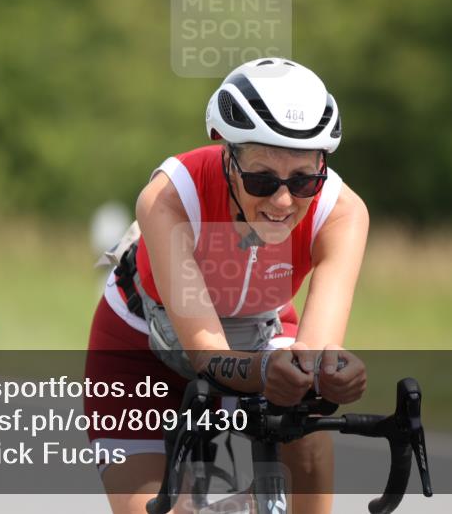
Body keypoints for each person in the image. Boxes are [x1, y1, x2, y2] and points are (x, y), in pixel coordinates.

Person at [85, 58, 370, 513]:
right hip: (142, 347)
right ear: (227, 157)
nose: (282, 200)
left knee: (307, 421)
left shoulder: (341, 213)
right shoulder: (170, 197)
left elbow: (314, 351)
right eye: (261, 179)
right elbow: (207, 354)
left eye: (303, 181)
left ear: (322, 166)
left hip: (259, 332)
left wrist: (328, 373)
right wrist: (269, 371)